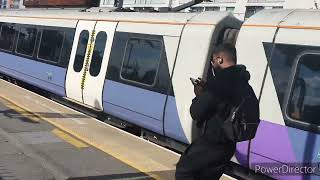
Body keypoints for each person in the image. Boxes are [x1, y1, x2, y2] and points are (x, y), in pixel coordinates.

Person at [175, 43, 258, 180]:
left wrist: (199, 95)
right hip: (228, 147)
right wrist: (207, 89)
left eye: (213, 61)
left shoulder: (219, 82)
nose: (213, 65)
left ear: (219, 60)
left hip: (210, 144)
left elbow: (196, 112)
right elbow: (225, 103)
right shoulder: (245, 84)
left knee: (184, 172)